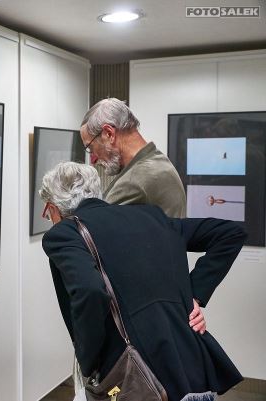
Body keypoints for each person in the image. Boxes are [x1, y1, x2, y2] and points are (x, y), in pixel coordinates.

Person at [39, 162, 246, 401]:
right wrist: (194, 295)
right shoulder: (150, 215)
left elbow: (90, 291)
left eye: (47, 211)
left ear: (54, 207)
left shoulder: (65, 233)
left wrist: (88, 361)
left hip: (140, 377)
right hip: (193, 367)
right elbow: (230, 233)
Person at [80, 98, 186, 218]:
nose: (93, 159)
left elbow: (95, 225)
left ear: (109, 134)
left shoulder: (137, 178)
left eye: (90, 147)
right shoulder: (157, 160)